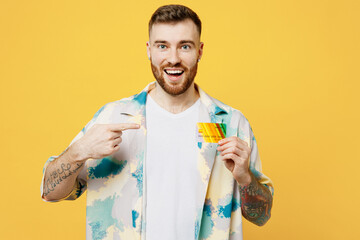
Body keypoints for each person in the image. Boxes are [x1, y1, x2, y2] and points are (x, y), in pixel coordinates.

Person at [41, 4, 274, 240]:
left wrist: (245, 177)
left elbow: (261, 216)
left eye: (185, 46)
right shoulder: (113, 117)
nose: (173, 59)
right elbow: (50, 192)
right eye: (162, 46)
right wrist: (77, 152)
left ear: (200, 51)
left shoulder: (232, 123)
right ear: (149, 50)